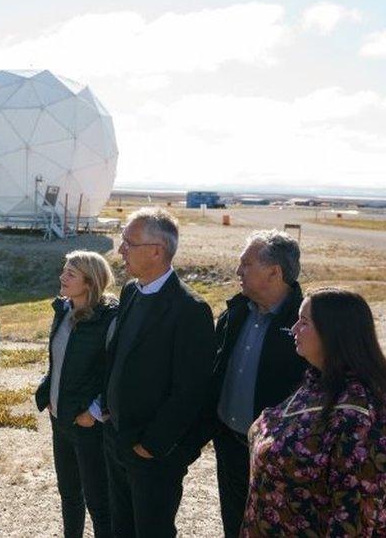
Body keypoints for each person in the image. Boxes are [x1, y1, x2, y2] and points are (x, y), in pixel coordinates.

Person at [242, 288, 386, 536]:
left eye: (304, 321)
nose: (294, 328)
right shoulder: (317, 383)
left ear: (333, 333)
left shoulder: (363, 422)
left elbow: (353, 524)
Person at [102, 208, 216, 537]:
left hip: (152, 454)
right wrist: (108, 412)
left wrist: (152, 445)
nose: (121, 250)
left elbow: (191, 389)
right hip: (117, 439)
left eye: (128, 243)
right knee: (120, 527)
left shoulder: (190, 310)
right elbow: (116, 358)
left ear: (156, 250)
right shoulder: (131, 292)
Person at [210, 230, 308, 537]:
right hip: (230, 447)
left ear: (274, 272)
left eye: (246, 264)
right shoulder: (235, 313)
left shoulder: (305, 326)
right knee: (233, 525)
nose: (238, 271)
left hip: (277, 458)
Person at [34, 250, 117, 538]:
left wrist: (93, 412)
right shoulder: (63, 310)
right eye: (64, 270)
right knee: (69, 495)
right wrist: (47, 394)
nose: (62, 277)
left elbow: (114, 375)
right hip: (60, 420)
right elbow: (58, 362)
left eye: (70, 273)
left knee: (98, 502)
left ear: (90, 281)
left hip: (87, 426)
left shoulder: (109, 319)